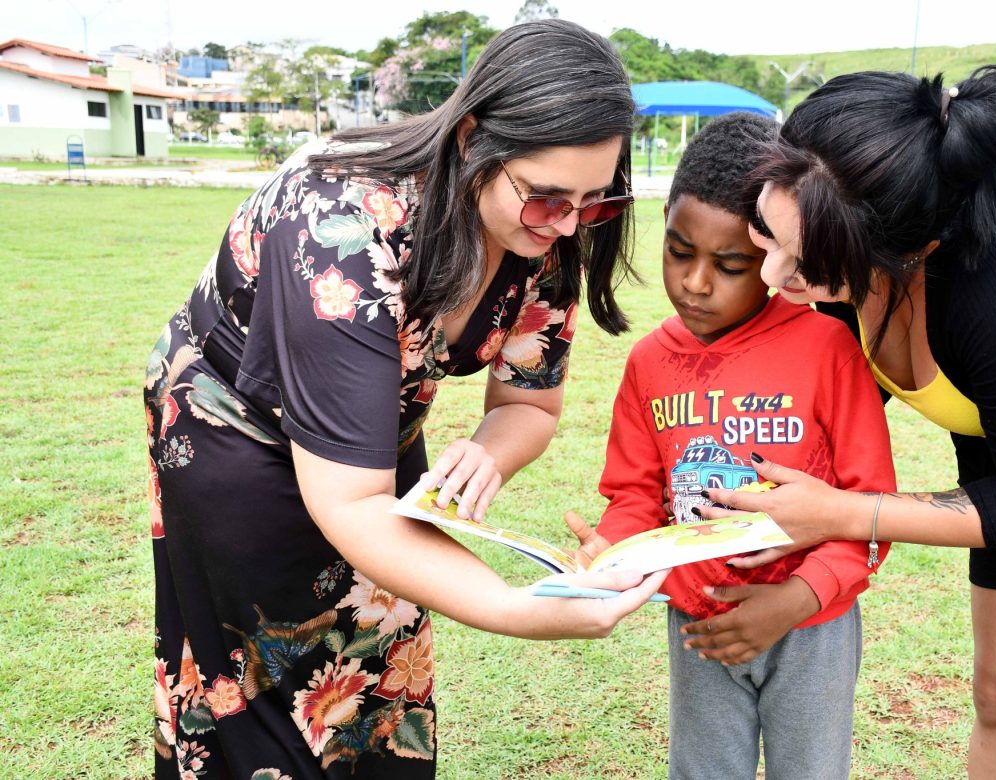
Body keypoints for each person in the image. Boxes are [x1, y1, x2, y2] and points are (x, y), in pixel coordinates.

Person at [144, 20, 668, 779]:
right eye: (547, 197)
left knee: (381, 676)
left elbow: (532, 404)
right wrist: (517, 608)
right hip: (234, 427)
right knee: (260, 683)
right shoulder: (344, 229)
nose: (566, 225)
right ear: (471, 139)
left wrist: (487, 452)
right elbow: (352, 505)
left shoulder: (547, 235)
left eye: (594, 202)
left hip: (373, 434)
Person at [703, 66, 996, 780]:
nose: (774, 278)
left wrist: (838, 514)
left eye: (811, 263)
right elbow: (817, 419)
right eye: (767, 233)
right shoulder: (849, 236)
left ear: (909, 251)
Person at [568, 112, 896, 779]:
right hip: (701, 623)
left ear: (775, 252)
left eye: (731, 265)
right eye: (679, 251)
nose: (695, 282)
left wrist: (799, 597)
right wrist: (614, 549)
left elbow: (871, 508)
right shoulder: (649, 363)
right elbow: (635, 496)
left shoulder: (828, 348)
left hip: (811, 622)